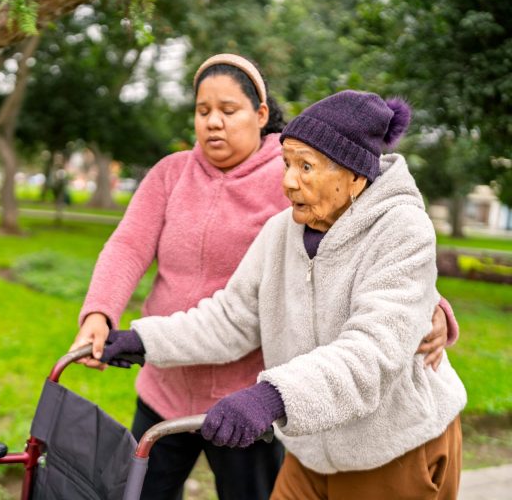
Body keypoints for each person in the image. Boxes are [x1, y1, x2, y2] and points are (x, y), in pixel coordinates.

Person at [71, 54, 457, 500]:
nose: (288, 182)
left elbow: (375, 337)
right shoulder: (283, 227)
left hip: (382, 443)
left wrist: (428, 308)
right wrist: (142, 339)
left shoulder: (397, 226)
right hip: (306, 443)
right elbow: (232, 316)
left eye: (304, 167)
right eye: (287, 164)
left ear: (355, 176)